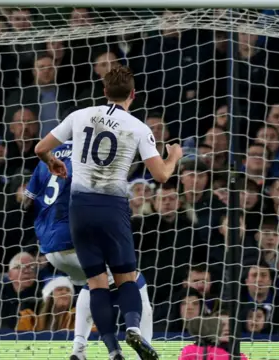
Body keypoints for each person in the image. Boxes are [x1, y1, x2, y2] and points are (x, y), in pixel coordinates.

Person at [34, 66, 183, 360]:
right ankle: (134, 329)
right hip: (112, 209)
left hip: (79, 210)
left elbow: (40, 148)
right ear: (133, 95)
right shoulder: (139, 128)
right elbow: (162, 175)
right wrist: (174, 156)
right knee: (127, 277)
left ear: (103, 92)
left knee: (95, 282)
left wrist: (51, 161)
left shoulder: (79, 115)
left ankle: (112, 349)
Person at [23, 142, 154, 360]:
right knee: (134, 280)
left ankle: (80, 350)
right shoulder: (90, 155)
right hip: (77, 238)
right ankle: (138, 340)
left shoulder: (47, 156)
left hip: (49, 247)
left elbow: (26, 202)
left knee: (92, 283)